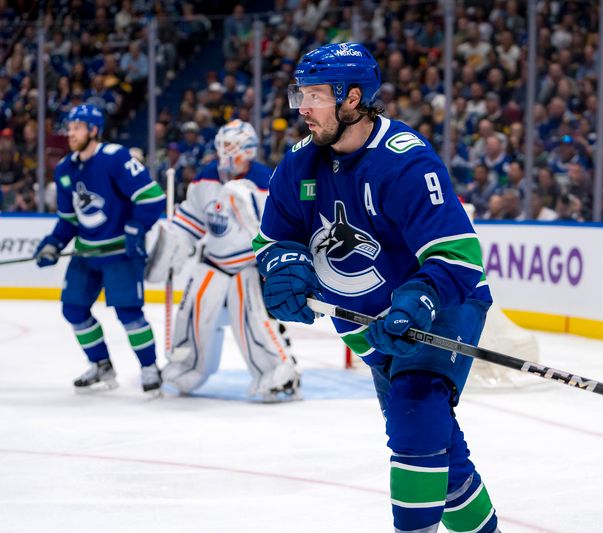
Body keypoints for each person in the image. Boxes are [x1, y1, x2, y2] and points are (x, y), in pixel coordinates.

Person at [252, 43, 500, 533]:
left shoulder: (405, 162)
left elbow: (458, 258)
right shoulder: (300, 163)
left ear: (352, 98)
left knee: (415, 418)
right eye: (299, 93)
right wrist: (283, 268)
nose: (301, 107)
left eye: (315, 95)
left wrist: (416, 300)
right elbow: (274, 237)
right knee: (440, 456)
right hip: (366, 325)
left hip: (440, 309)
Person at [146, 119, 300, 402]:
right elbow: (191, 220)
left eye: (231, 147)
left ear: (248, 150)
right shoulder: (206, 177)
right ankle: (185, 367)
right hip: (213, 260)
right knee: (191, 315)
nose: (225, 153)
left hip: (248, 265)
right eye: (222, 146)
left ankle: (280, 375)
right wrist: (174, 246)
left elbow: (274, 228)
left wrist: (249, 202)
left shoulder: (266, 180)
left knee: (253, 323)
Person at [33, 104, 165, 394]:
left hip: (120, 252)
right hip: (86, 253)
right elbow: (69, 220)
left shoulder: (115, 157)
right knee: (74, 309)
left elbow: (153, 197)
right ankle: (101, 364)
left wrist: (136, 226)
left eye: (77, 127)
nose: (70, 133)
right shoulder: (65, 169)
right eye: (69, 128)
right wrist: (54, 243)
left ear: (94, 130)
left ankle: (149, 367)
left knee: (129, 313)